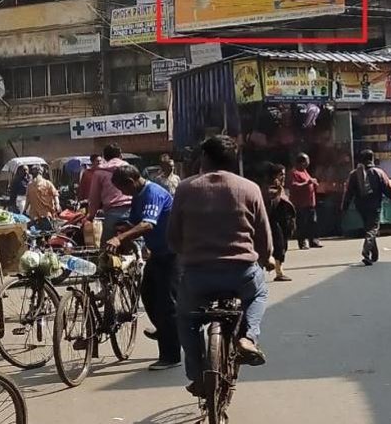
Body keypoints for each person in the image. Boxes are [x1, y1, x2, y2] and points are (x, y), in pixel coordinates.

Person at [168, 136, 273, 396]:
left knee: (186, 319)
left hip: (197, 276)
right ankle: (248, 337)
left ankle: (197, 375)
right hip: (242, 273)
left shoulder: (185, 188)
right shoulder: (249, 188)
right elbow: (264, 239)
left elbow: (172, 238)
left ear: (204, 159)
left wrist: (188, 255)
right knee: (259, 292)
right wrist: (267, 257)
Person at [107, 164, 181, 370]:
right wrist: (121, 231)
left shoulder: (152, 193)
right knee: (147, 294)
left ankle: (171, 355)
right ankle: (166, 330)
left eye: (122, 189)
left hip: (173, 253)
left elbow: (148, 224)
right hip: (157, 253)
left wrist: (119, 238)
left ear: (130, 182)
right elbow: (134, 223)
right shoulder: (138, 196)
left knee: (166, 303)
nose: (122, 194)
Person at [342, 149, 391, 266]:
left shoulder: (354, 174)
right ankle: (366, 251)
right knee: (372, 229)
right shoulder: (378, 172)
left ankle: (374, 255)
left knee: (369, 228)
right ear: (372, 159)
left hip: (361, 206)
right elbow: (387, 188)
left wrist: (344, 207)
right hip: (374, 206)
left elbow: (348, 193)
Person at [88, 144, 133, 243]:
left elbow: (94, 198)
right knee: (138, 242)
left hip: (112, 213)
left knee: (105, 247)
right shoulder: (129, 168)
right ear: (120, 156)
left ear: (105, 157)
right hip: (132, 211)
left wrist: (91, 216)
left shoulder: (99, 172)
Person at [263, 162, 295, 282]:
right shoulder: (270, 190)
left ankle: (279, 270)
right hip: (273, 222)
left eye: (284, 174)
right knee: (278, 245)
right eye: (281, 174)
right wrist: (278, 192)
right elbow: (271, 205)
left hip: (283, 222)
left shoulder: (281, 189)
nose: (283, 177)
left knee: (282, 246)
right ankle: (279, 272)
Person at [288, 153, 322, 249]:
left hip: (310, 202)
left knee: (313, 223)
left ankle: (314, 241)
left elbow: (309, 181)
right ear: (302, 162)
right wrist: (307, 183)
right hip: (300, 204)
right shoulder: (294, 172)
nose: (309, 162)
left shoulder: (305, 171)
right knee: (302, 224)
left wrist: (313, 182)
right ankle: (302, 242)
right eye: (307, 160)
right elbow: (293, 186)